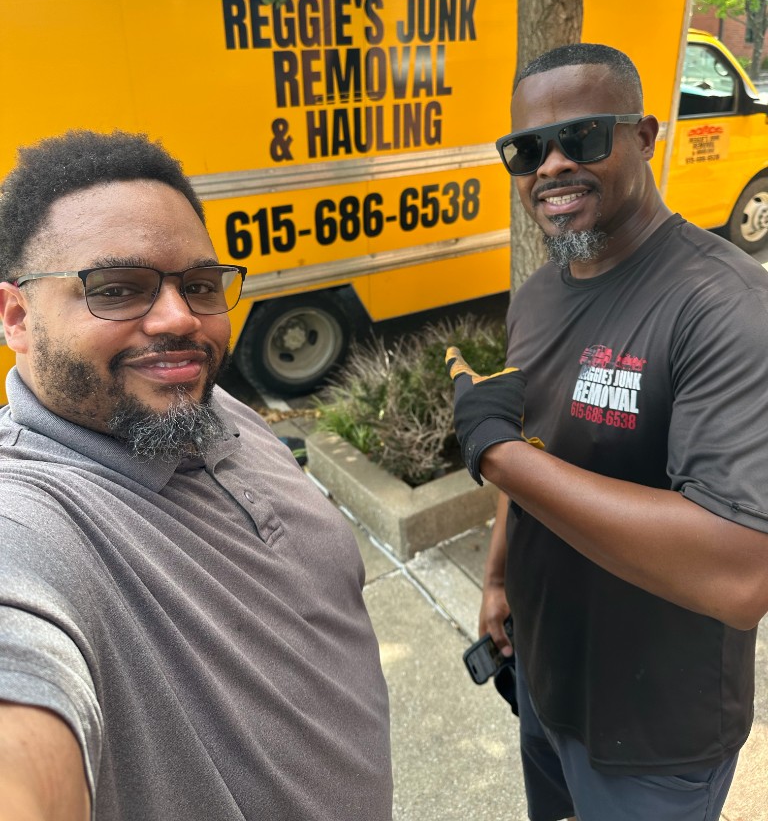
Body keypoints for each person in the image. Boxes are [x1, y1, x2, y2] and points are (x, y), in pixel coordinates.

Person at [0, 130, 392, 821]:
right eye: (117, 289)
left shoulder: (200, 403)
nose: (181, 318)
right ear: (17, 317)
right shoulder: (30, 521)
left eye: (201, 285)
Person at [446, 43, 768, 821]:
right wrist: (496, 579)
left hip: (656, 737)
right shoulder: (537, 298)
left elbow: (741, 574)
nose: (550, 165)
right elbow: (537, 443)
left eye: (583, 138)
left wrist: (496, 455)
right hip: (546, 685)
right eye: (526, 150)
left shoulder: (726, 309)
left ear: (645, 135)